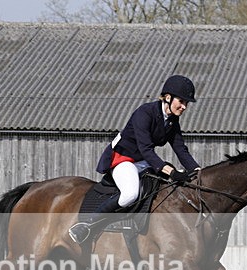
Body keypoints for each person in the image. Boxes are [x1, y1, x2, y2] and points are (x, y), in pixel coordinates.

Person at [69, 75, 201, 244]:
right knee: (131, 194)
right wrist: (172, 172)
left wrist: (198, 171)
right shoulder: (144, 113)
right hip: (122, 159)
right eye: (181, 101)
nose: (184, 107)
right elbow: (146, 149)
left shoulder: (172, 121)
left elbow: (181, 150)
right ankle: (86, 225)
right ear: (168, 98)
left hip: (141, 161)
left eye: (186, 103)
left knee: (166, 185)